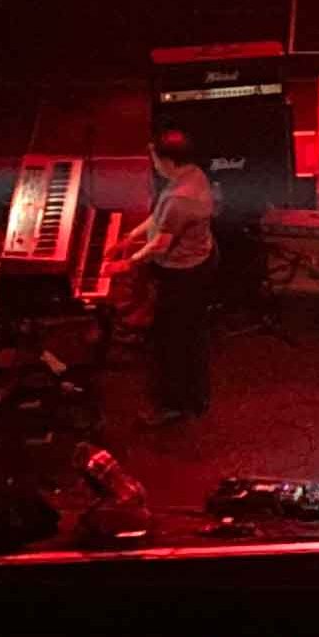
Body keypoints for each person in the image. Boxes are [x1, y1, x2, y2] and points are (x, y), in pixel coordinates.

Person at [117, 129, 220, 426]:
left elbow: (160, 245)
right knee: (191, 334)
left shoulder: (180, 198)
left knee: (172, 341)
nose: (154, 165)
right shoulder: (193, 175)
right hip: (200, 261)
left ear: (168, 161)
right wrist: (130, 237)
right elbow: (160, 217)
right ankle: (196, 398)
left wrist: (127, 263)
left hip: (184, 275)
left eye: (155, 159)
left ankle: (173, 405)